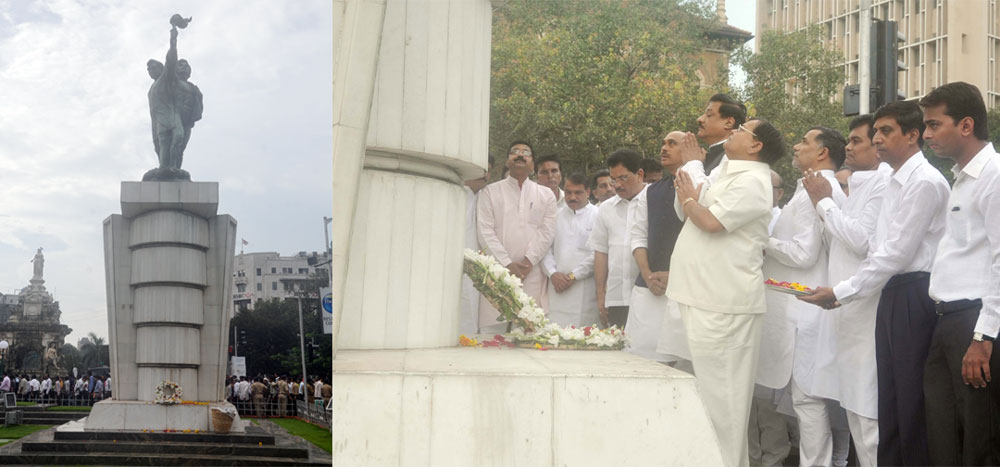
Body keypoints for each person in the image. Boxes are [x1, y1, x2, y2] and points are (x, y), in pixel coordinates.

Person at [800, 100, 950, 466]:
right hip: (889, 293)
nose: (877, 139)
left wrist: (842, 291)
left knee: (902, 407)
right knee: (888, 405)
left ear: (913, 136)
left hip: (914, 292)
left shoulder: (925, 181)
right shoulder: (896, 181)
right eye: (876, 132)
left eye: (886, 132)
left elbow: (890, 254)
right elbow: (880, 251)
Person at [669, 118, 784, 467]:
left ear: (755, 146)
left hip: (726, 304)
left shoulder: (754, 181)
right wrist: (689, 190)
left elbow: (710, 222)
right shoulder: (729, 171)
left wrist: (690, 201)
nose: (731, 133)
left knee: (724, 405)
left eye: (740, 131)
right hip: (703, 295)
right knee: (706, 398)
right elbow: (690, 208)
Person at [918, 82, 1000, 465]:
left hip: (974, 324)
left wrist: (983, 337)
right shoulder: (961, 177)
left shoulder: (995, 176)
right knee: (944, 437)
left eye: (934, 125)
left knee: (979, 441)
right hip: (947, 321)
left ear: (966, 125)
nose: (926, 134)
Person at [801, 114, 887, 467]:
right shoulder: (860, 183)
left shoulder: (883, 184)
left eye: (857, 141)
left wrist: (824, 202)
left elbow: (861, 242)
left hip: (864, 305)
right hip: (844, 305)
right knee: (853, 404)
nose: (848, 148)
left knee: (868, 411)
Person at [768, 127, 851, 467]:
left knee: (809, 399)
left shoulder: (816, 189)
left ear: (822, 153)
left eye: (804, 141)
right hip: (812, 305)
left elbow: (804, 254)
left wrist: (760, 240)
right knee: (814, 399)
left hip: (810, 307)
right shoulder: (811, 187)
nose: (797, 146)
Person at [477, 141, 557, 332]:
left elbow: (547, 232)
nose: (520, 155)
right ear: (507, 161)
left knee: (528, 332)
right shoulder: (489, 192)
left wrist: (528, 261)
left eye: (526, 153)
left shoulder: (546, 195)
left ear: (532, 163)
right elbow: (485, 231)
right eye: (515, 152)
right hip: (496, 273)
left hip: (532, 273)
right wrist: (506, 264)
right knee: (491, 333)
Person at [629, 131, 690, 365]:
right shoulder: (649, 191)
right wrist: (648, 275)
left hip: (683, 288)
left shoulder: (701, 186)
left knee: (679, 366)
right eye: (663, 143)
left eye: (672, 144)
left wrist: (674, 276)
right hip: (649, 287)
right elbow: (638, 236)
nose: (664, 148)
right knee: (641, 361)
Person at [588, 149, 647, 329]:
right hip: (617, 296)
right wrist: (601, 295)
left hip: (649, 293)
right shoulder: (606, 209)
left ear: (640, 174)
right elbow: (601, 252)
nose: (617, 185)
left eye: (623, 178)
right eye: (614, 180)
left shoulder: (654, 200)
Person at [541, 173, 599, 327]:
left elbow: (598, 254)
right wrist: (552, 273)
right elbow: (545, 249)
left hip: (585, 287)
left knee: (584, 334)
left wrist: (574, 276)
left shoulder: (598, 216)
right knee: (556, 334)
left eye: (578, 192)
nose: (572, 197)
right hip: (557, 286)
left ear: (588, 192)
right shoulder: (555, 216)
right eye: (568, 192)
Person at [146, 24, 203, 179]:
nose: (184, 67)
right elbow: (171, 60)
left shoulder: (193, 87)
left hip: (187, 120)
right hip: (171, 117)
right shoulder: (171, 81)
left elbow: (198, 106)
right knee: (168, 141)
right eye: (181, 65)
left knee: (180, 146)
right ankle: (166, 167)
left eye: (187, 65)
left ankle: (174, 168)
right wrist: (173, 39)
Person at [460, 165, 491, 336]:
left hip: (478, 267)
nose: (484, 175)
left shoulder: (486, 198)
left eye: (488, 171)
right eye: (480, 170)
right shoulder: (453, 193)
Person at [696, 93, 747, 173]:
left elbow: (706, 185)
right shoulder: (706, 157)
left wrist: (693, 163)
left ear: (729, 122)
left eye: (709, 115)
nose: (700, 119)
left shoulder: (732, 157)